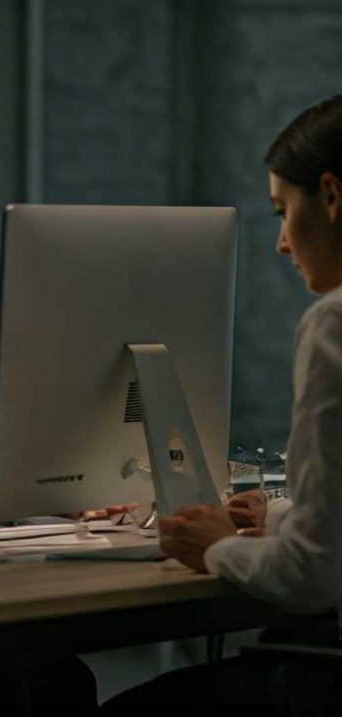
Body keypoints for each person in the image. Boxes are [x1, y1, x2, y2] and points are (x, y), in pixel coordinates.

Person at [104, 95, 342, 713]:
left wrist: (214, 544)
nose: (283, 244)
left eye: (284, 212)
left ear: (333, 197)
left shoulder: (334, 325)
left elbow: (310, 580)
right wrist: (288, 516)